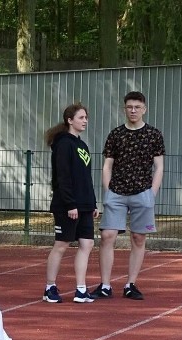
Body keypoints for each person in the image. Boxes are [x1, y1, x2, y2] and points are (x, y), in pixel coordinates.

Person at [91, 91, 165, 301]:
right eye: (129, 107)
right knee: (107, 236)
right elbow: (107, 165)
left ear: (144, 109)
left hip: (143, 192)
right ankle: (105, 285)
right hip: (116, 192)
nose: (133, 111)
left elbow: (159, 167)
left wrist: (152, 192)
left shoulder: (154, 134)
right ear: (125, 109)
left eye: (137, 107)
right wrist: (108, 191)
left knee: (138, 237)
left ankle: (130, 284)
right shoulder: (116, 134)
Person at [41, 103, 100, 304]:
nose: (85, 121)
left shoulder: (81, 145)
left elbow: (85, 178)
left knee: (87, 243)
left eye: (86, 117)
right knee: (62, 244)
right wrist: (70, 204)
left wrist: (92, 203)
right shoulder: (63, 144)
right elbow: (63, 178)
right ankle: (50, 287)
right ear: (70, 120)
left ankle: (81, 290)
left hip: (84, 205)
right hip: (67, 205)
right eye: (81, 117)